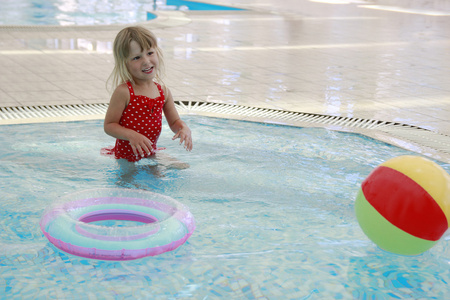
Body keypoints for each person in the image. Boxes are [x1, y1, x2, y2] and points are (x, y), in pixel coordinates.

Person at [102, 26, 192, 163]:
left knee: (181, 167)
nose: (146, 61)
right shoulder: (124, 92)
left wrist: (183, 128)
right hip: (126, 157)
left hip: (150, 151)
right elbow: (109, 125)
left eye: (150, 53)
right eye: (137, 57)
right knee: (130, 184)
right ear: (124, 64)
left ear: (157, 53)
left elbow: (174, 122)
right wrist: (131, 135)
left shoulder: (163, 92)